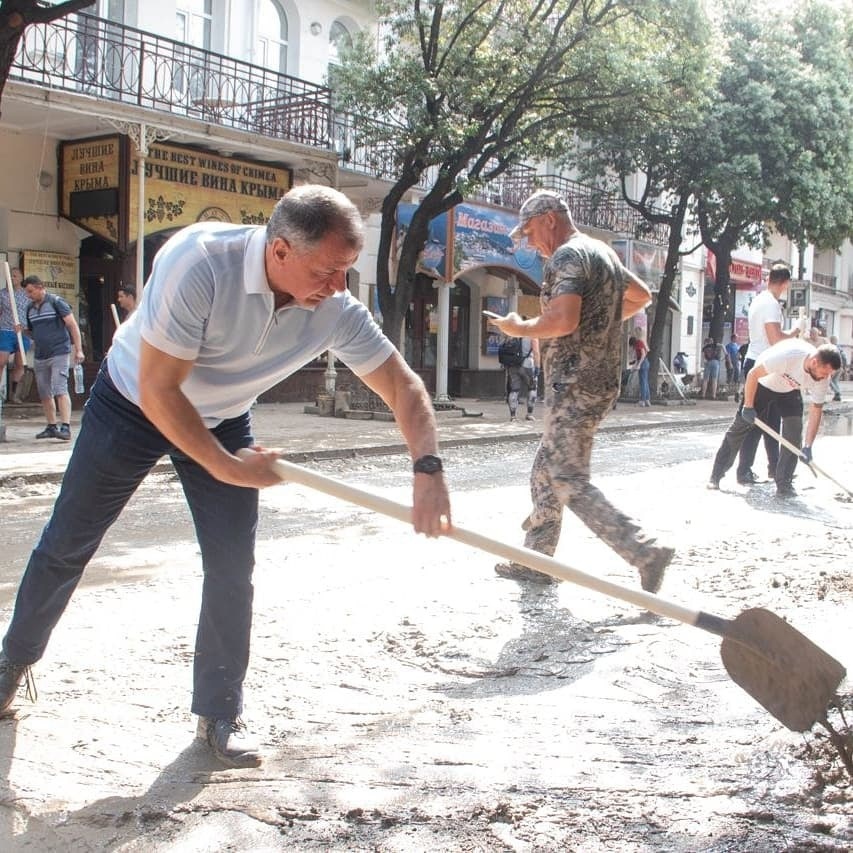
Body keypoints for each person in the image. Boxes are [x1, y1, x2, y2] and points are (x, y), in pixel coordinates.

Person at [0, 186, 452, 768]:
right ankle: (13, 661)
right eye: (328, 270)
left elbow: (403, 386)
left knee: (232, 567)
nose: (338, 285)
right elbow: (161, 392)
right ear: (280, 250)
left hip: (225, 414)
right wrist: (229, 466)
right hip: (133, 402)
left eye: (345, 271)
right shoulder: (200, 262)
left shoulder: (334, 307)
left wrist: (428, 467)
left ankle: (218, 714)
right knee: (68, 543)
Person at [486, 190, 673, 591]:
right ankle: (536, 558)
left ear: (550, 219)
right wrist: (599, 321)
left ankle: (644, 551)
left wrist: (518, 327)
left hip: (574, 382)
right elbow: (641, 296)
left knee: (568, 479)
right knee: (545, 470)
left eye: (532, 231)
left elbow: (563, 320)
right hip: (599, 380)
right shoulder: (601, 252)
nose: (531, 242)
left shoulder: (568, 256)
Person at [707, 338, 839, 497]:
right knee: (740, 427)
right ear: (815, 362)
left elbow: (816, 410)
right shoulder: (788, 357)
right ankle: (716, 475)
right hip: (763, 383)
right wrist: (748, 406)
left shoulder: (823, 379)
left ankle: (784, 483)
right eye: (825, 373)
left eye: (829, 374)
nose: (826, 377)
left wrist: (808, 445)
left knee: (794, 434)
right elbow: (753, 374)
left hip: (790, 390)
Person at [735, 263, 801, 484]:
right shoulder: (771, 304)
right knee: (754, 421)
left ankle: (774, 468)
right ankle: (745, 470)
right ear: (785, 283)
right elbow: (774, 339)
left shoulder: (759, 300)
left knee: (771, 421)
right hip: (764, 365)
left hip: (760, 362)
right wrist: (794, 333)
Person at [22, 275, 85, 441]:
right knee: (44, 392)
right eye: (27, 292)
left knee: (60, 388)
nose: (29, 295)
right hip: (41, 354)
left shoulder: (56, 302)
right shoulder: (30, 309)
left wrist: (78, 350)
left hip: (59, 352)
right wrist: (22, 330)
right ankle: (51, 426)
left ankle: (65, 427)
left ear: (40, 287)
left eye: (31, 291)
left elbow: (72, 325)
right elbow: (33, 333)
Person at [0, 266, 32, 403]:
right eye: (10, 275)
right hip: (5, 330)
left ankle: (14, 394)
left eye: (15, 276)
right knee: (1, 361)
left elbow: (32, 313)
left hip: (22, 333)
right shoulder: (2, 294)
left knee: (20, 364)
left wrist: (29, 330)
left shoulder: (26, 294)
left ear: (21, 278)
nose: (12, 278)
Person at [505, 331, 539, 422]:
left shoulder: (511, 334)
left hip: (513, 365)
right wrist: (537, 366)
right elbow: (536, 351)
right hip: (528, 365)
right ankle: (529, 414)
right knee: (532, 388)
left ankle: (513, 416)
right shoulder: (532, 334)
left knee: (514, 390)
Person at [629, 332, 650, 406]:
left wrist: (639, 365)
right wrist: (634, 366)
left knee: (642, 382)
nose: (633, 348)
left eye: (632, 346)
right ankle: (647, 400)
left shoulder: (638, 343)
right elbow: (638, 358)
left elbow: (643, 355)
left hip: (644, 363)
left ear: (633, 343)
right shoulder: (638, 343)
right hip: (645, 363)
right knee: (645, 382)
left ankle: (642, 401)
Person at [828, 335, 846, 401]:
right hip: (840, 367)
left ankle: (837, 392)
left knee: (829, 381)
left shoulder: (832, 348)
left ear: (831, 340)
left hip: (835, 367)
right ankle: (837, 395)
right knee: (835, 381)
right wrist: (844, 366)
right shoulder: (840, 348)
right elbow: (844, 357)